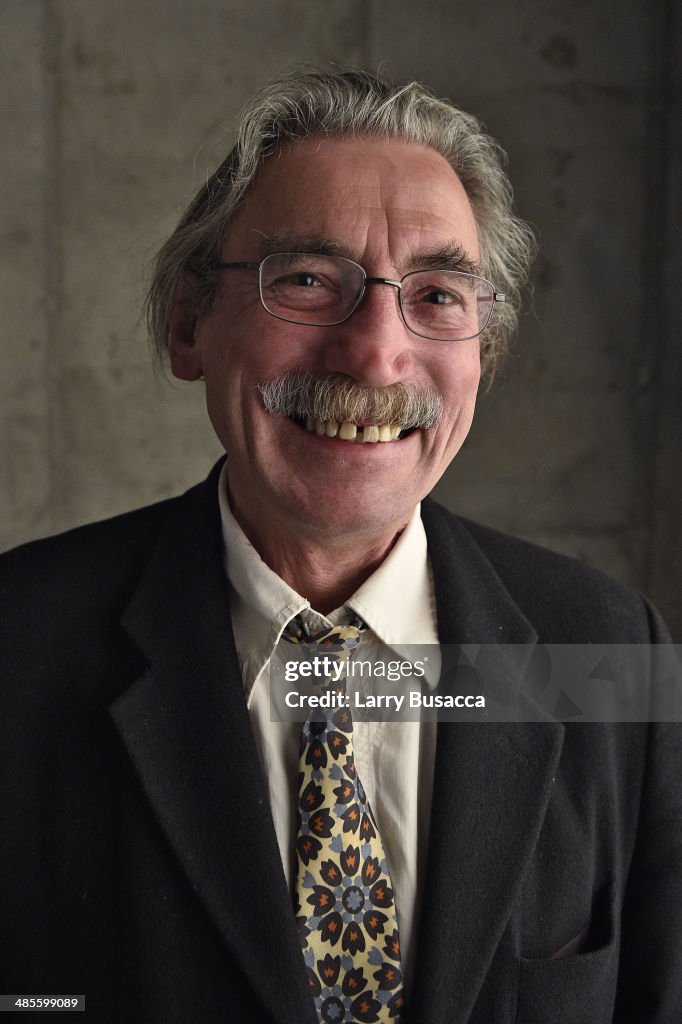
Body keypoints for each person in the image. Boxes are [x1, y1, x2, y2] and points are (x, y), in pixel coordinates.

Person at [1, 66, 680, 1024]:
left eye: (439, 294)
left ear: (483, 351)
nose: (375, 353)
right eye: (310, 281)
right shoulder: (17, 647)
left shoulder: (612, 651)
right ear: (188, 322)